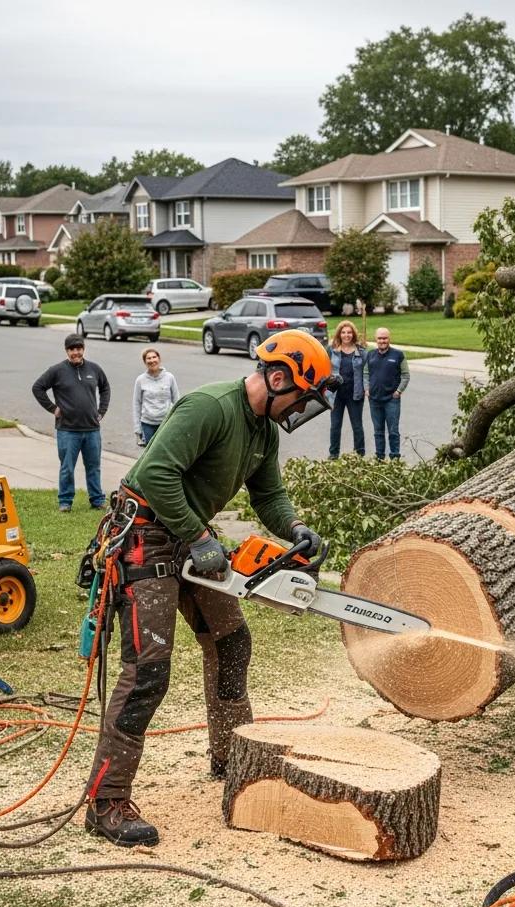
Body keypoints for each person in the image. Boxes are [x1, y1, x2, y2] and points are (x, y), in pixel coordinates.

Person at [84, 330, 336, 847]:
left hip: (192, 538)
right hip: (147, 538)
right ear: (278, 376)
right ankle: (106, 802)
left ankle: (231, 756)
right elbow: (155, 474)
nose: (299, 409)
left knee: (231, 642)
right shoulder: (210, 408)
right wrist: (199, 536)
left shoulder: (264, 431)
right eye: (300, 397)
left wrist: (295, 529)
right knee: (148, 672)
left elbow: (269, 494)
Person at [32, 335, 110, 512]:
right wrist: (53, 408)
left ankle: (97, 500)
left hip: (92, 429)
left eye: (79, 348)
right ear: (66, 351)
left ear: (83, 349)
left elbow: (105, 388)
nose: (76, 352)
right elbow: (38, 388)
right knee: (67, 467)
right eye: (72, 349)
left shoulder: (94, 369)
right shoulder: (57, 370)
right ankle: (65, 501)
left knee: (94, 467)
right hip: (67, 430)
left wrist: (102, 411)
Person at [364, 326, 409, 461]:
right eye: (379, 338)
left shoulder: (398, 355)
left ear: (389, 339)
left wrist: (398, 391)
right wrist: (366, 388)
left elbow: (406, 375)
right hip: (374, 400)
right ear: (375, 339)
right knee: (378, 432)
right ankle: (379, 458)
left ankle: (395, 458)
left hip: (392, 400)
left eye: (385, 338)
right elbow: (365, 373)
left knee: (393, 432)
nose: (382, 341)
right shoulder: (370, 355)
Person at [327, 320, 366, 458]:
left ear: (353, 334)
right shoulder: (331, 350)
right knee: (335, 426)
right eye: (343, 332)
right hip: (336, 395)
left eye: (349, 332)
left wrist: (366, 388)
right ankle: (333, 454)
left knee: (357, 426)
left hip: (355, 394)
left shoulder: (361, 351)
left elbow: (366, 372)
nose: (346, 335)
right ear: (339, 334)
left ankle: (359, 454)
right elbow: (324, 369)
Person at [132, 347, 179, 447]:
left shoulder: (169, 377)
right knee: (149, 455)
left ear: (159, 359)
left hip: (165, 423)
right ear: (145, 362)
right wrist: (137, 429)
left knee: (165, 451)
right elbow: (136, 404)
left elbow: (177, 401)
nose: (152, 360)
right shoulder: (140, 380)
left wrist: (177, 422)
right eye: (148, 358)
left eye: (154, 357)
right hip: (147, 424)